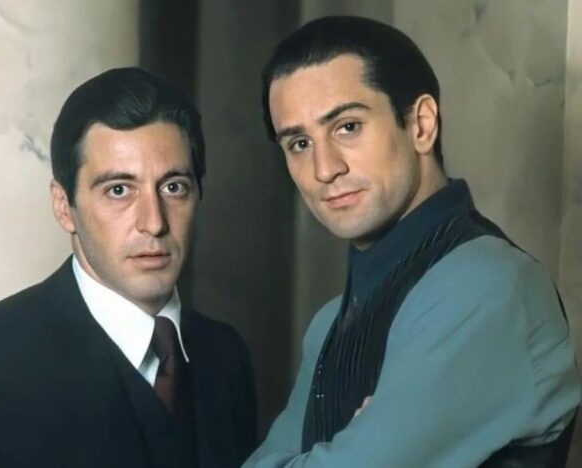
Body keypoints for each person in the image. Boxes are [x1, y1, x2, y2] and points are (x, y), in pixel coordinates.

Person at [245, 16, 580, 467]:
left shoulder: (486, 287)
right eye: (300, 143)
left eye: (347, 127)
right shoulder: (329, 323)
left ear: (421, 125)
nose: (325, 169)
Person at [0, 67, 256, 468]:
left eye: (173, 187)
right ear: (64, 207)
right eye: (118, 190)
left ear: (198, 195)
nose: (154, 222)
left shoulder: (226, 355)